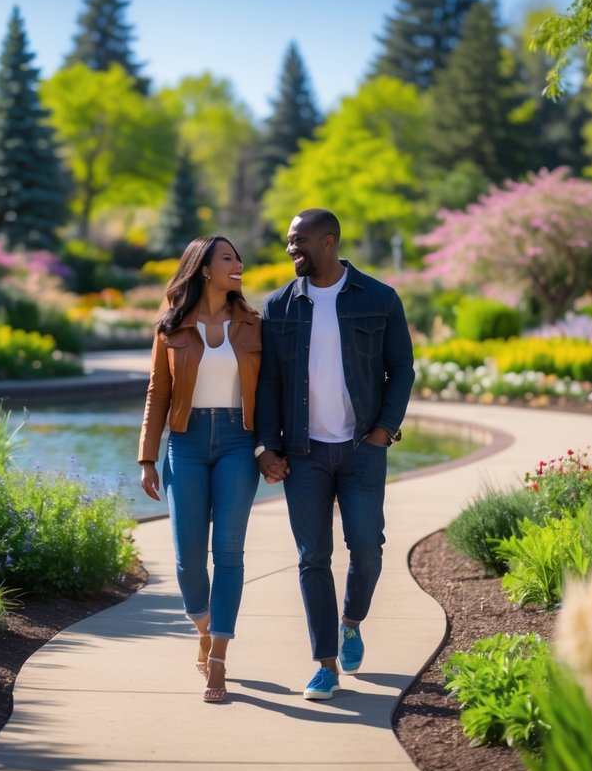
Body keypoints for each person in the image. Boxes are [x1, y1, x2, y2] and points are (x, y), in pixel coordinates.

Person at [255, 208, 414, 701]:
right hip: (303, 454)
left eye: (297, 241)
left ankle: (352, 621)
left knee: (366, 548)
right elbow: (268, 384)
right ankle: (325, 663)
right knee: (312, 558)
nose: (290, 250)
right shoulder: (279, 306)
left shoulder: (380, 298)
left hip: (362, 448)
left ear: (328, 241)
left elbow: (402, 369)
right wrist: (266, 446)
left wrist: (385, 430)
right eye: (287, 241)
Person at [138, 235, 263, 703]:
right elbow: (158, 392)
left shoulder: (253, 325)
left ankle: (219, 660)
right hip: (185, 444)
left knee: (228, 553)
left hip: (237, 441)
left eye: (238, 257)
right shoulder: (171, 326)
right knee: (188, 559)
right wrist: (147, 457)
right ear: (204, 269)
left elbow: (269, 390)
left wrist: (271, 448)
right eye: (229, 258)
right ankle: (204, 626)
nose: (240, 265)